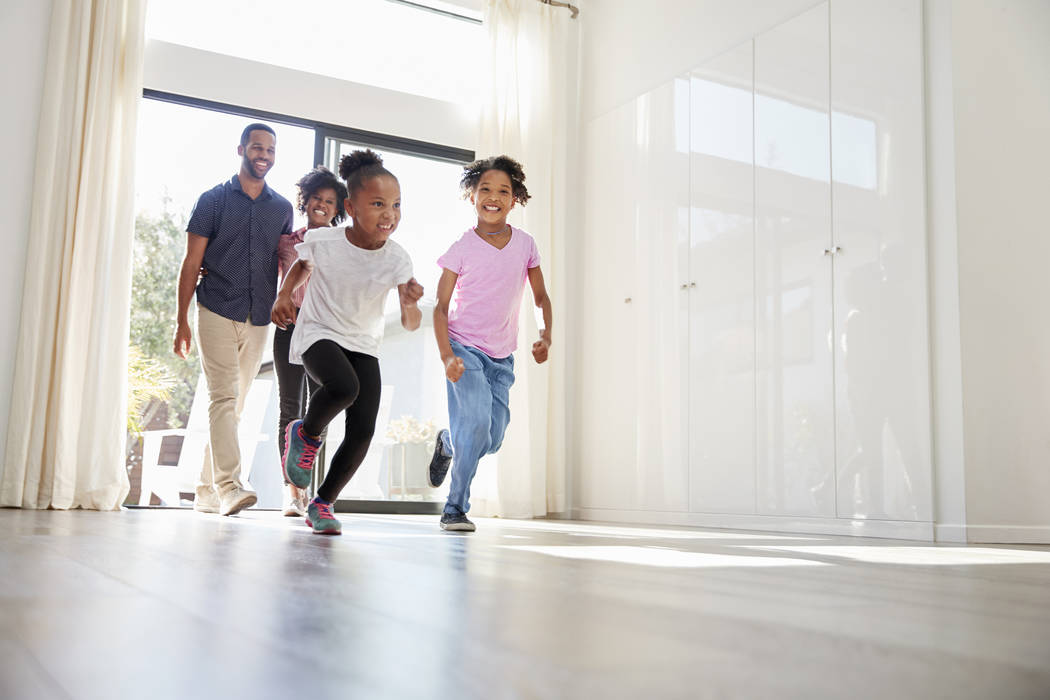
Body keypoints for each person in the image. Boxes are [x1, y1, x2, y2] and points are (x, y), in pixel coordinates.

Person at [273, 150, 424, 535]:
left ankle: (322, 503)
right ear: (351, 207)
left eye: (396, 205)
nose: (389, 213)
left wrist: (408, 304)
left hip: (362, 342)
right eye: (377, 204)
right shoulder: (325, 241)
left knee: (363, 429)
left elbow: (410, 324)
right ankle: (305, 433)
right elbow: (301, 265)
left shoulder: (398, 259)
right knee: (344, 387)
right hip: (317, 332)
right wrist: (284, 295)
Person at [174, 122, 293, 517]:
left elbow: (287, 261)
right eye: (257, 147)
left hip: (258, 316)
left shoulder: (281, 209)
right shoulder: (212, 200)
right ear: (241, 149)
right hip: (215, 308)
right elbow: (191, 264)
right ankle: (229, 486)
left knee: (233, 406)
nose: (264, 155)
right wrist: (181, 320)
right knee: (223, 397)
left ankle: (205, 489)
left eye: (270, 150)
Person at [428, 155, 553, 532]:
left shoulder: (525, 245)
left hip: (502, 356)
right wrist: (447, 355)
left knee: (493, 439)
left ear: (515, 199)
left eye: (503, 191)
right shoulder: (461, 248)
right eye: (485, 189)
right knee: (477, 427)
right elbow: (440, 308)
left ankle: (449, 442)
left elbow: (541, 297)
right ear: (472, 196)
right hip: (464, 349)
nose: (494, 197)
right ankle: (454, 508)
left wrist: (546, 333)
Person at [274, 167, 349, 517]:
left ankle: (319, 495)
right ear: (306, 201)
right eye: (317, 198)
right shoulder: (287, 241)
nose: (322, 204)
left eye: (330, 201)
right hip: (289, 328)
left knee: (321, 411)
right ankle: (293, 494)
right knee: (290, 408)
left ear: (338, 209)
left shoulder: (341, 244)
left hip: (324, 334)